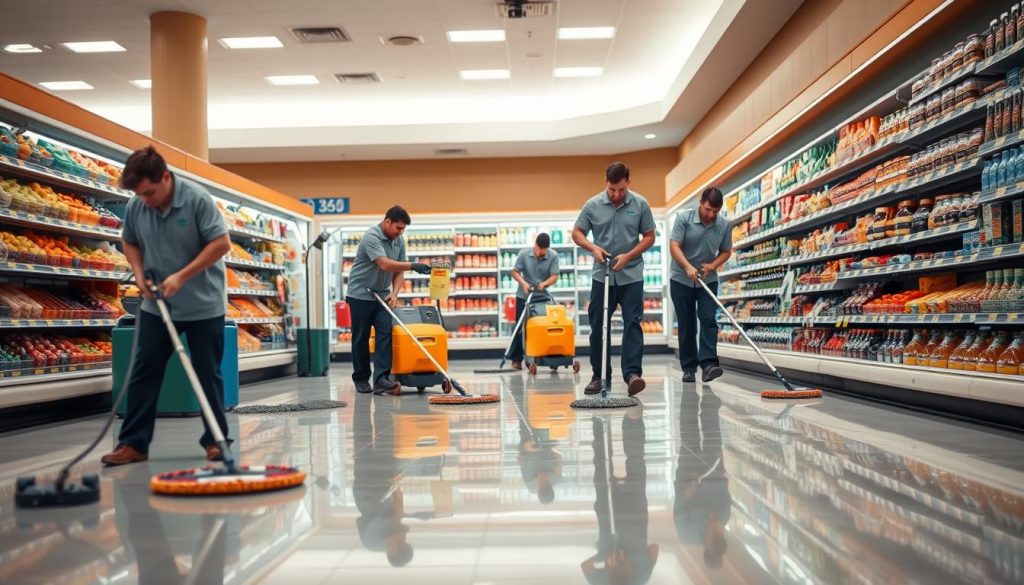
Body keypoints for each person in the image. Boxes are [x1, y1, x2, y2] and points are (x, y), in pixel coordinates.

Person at [101, 146, 233, 466]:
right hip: (156, 306)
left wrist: (182, 277)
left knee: (207, 373)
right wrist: (138, 271)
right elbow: (129, 241)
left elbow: (221, 243)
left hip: (203, 305)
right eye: (139, 194)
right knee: (145, 370)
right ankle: (134, 444)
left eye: (149, 192)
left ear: (165, 176)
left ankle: (216, 440)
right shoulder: (137, 206)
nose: (145, 199)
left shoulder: (197, 200)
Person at [573, 162, 656, 396]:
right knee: (599, 326)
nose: (617, 194)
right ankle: (600, 377)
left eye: (621, 189)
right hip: (602, 276)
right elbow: (577, 233)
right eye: (612, 190)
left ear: (628, 182)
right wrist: (593, 248)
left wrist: (629, 256)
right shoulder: (592, 205)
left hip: (631, 276)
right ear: (605, 182)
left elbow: (650, 236)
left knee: (632, 324)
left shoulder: (640, 204)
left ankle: (632, 375)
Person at [346, 205, 431, 395]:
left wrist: (395, 293)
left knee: (385, 334)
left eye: (403, 229)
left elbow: (398, 270)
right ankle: (361, 379)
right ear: (387, 222)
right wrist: (413, 265)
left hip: (382, 296)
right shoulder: (372, 236)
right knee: (361, 338)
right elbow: (384, 264)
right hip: (360, 294)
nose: (400, 232)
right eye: (398, 228)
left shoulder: (398, 240)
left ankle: (381, 380)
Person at [581, 415, 659, 584]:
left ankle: (600, 422)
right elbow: (654, 549)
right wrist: (632, 556)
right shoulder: (641, 578)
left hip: (608, 513)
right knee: (636, 462)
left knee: (602, 464)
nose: (622, 565)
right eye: (626, 568)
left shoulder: (602, 582)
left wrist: (603, 557)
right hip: (635, 514)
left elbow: (585, 566)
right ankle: (633, 420)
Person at [669, 187, 732, 383]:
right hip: (681, 279)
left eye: (715, 211)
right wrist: (688, 267)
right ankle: (689, 368)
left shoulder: (724, 224)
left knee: (708, 319)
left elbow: (726, 251)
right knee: (686, 323)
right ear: (700, 203)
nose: (711, 215)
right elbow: (674, 246)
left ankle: (709, 365)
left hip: (708, 279)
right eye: (707, 210)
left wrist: (712, 265)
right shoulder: (684, 219)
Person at [674, 385, 731, 569]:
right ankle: (709, 403)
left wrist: (688, 492)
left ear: (707, 546)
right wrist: (724, 483)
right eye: (719, 534)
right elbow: (725, 498)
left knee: (689, 434)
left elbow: (679, 510)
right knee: (713, 435)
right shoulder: (723, 522)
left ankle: (688, 399)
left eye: (714, 536)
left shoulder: (687, 534)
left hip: (689, 478)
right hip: (714, 474)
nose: (717, 531)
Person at [508, 232, 560, 370]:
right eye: (539, 249)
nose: (541, 252)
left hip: (542, 297)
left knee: (545, 326)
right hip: (524, 296)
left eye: (544, 250)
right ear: (535, 245)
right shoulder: (524, 254)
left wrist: (544, 284)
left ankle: (551, 356)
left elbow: (554, 276)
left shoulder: (553, 256)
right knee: (520, 327)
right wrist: (523, 283)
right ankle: (516, 360)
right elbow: (514, 272)